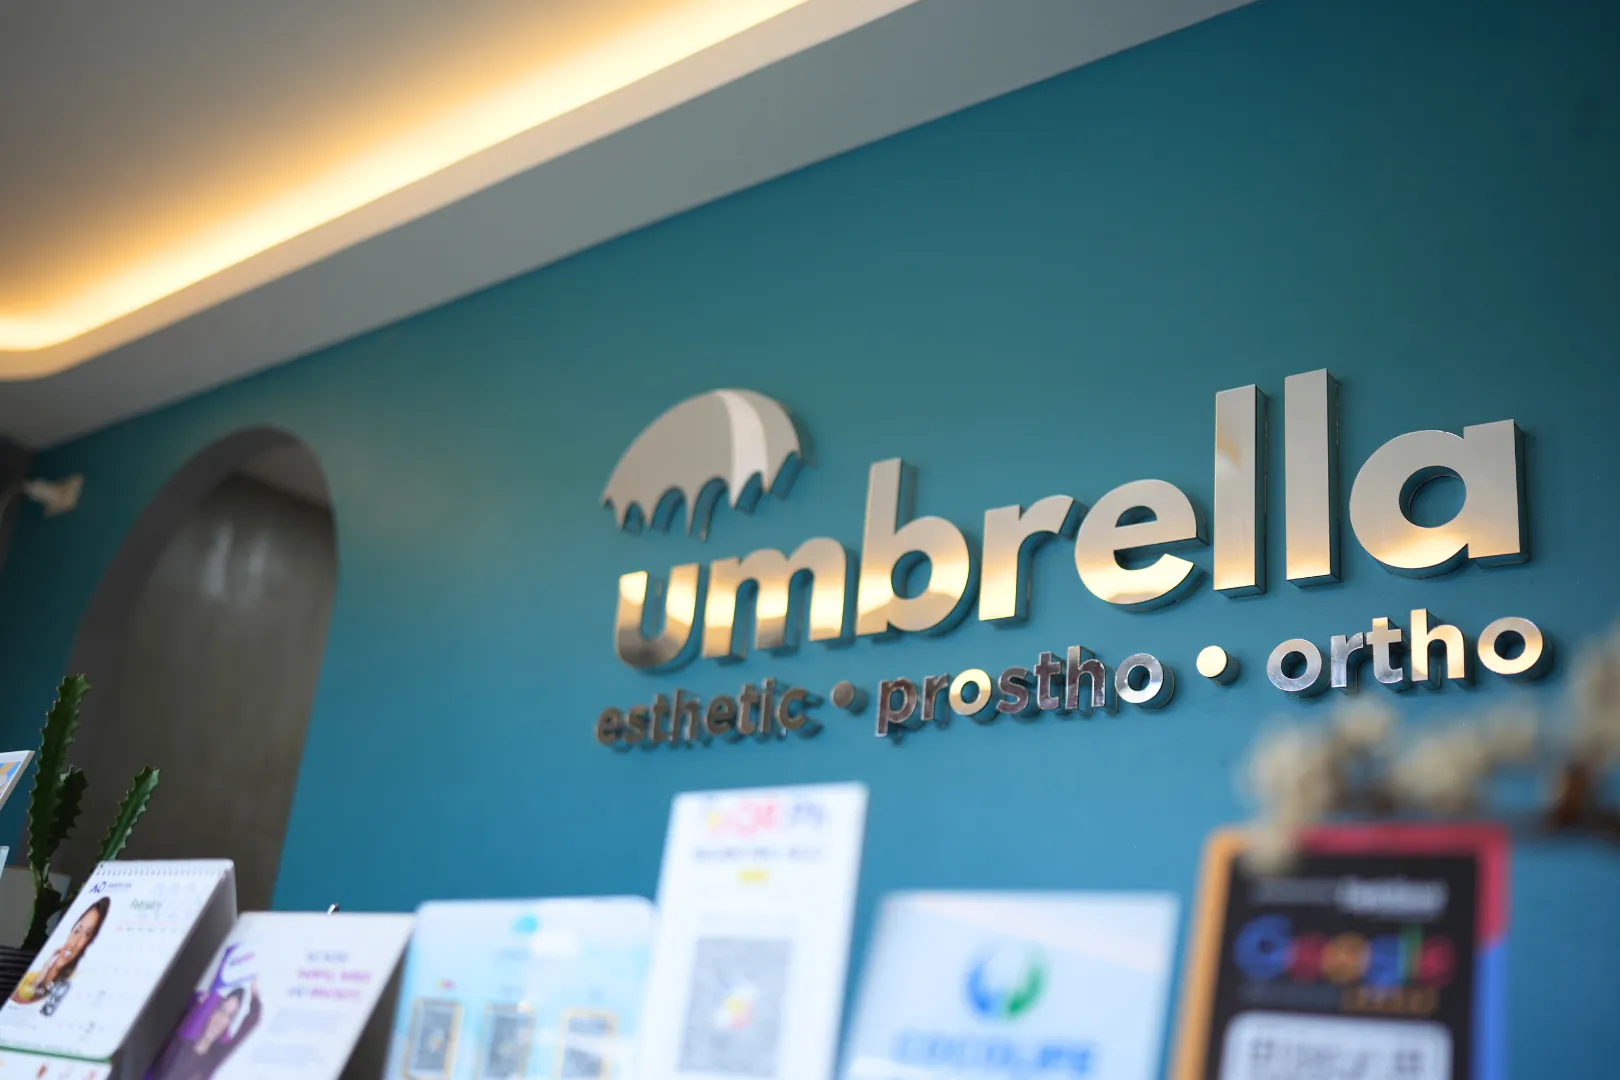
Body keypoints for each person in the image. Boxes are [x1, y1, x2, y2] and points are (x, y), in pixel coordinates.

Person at [146, 980, 262, 1080]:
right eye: (221, 1009)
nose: (221, 1019)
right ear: (210, 1010)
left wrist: (254, 994)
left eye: (230, 1016)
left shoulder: (215, 1055)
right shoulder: (185, 1037)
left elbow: (252, 1020)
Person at [10, 897, 110, 1007]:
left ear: (90, 943)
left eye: (87, 935)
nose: (74, 942)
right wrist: (41, 976)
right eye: (77, 931)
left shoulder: (75, 982)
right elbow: (15, 1003)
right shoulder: (33, 975)